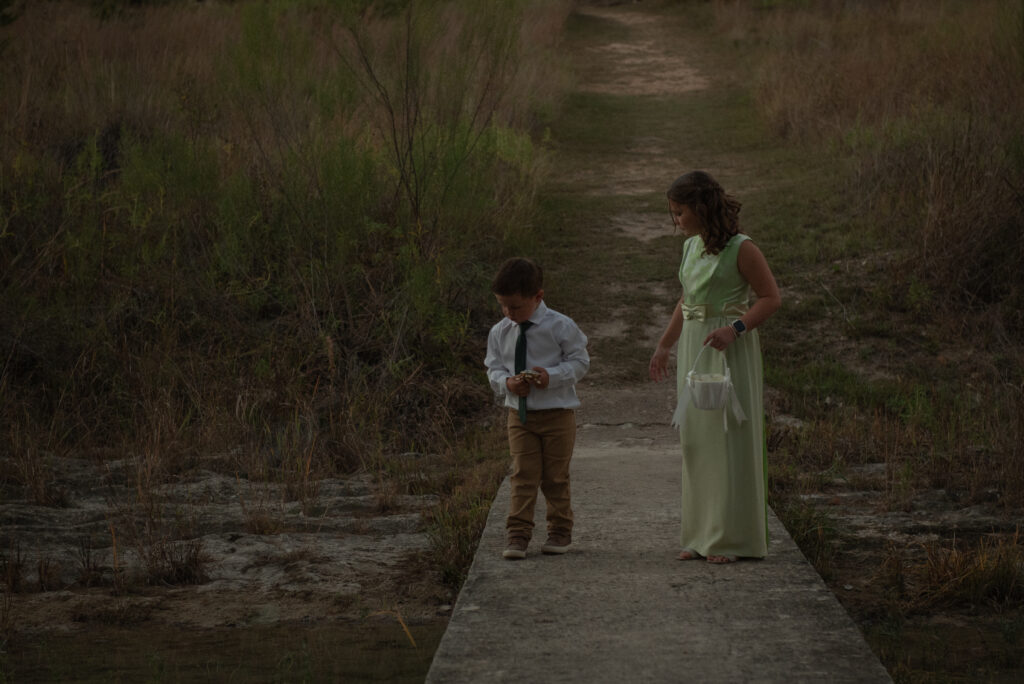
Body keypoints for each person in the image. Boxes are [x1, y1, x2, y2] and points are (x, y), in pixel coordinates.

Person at [649, 171, 781, 564]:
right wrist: (664, 345)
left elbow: (771, 298)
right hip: (695, 344)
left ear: (701, 208)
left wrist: (735, 329)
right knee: (696, 438)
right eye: (673, 213)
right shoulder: (690, 247)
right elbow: (686, 299)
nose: (676, 220)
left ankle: (729, 538)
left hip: (728, 347)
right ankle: (699, 534)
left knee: (727, 436)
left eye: (679, 212)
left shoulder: (743, 248)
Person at [485, 257, 590, 560]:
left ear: (538, 297)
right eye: (503, 306)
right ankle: (518, 533)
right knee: (523, 474)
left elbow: (580, 362)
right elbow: (492, 367)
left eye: (516, 307)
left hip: (558, 415)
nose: (509, 313)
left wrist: (551, 377)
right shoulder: (500, 331)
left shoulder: (560, 326)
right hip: (520, 416)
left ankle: (560, 529)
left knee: (555, 476)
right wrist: (507, 383)